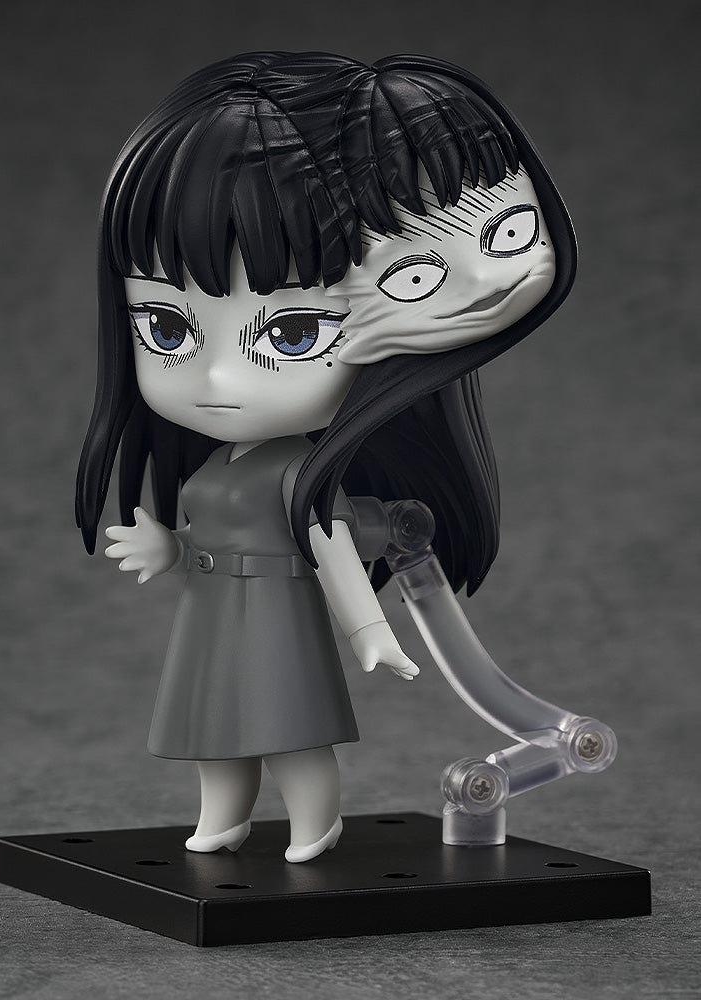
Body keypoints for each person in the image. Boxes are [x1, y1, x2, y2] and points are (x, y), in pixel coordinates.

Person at [76, 52, 576, 863]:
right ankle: (222, 819)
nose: (219, 379)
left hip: (280, 617)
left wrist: (367, 629)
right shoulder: (214, 467)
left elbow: (330, 542)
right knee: (212, 729)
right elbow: (205, 533)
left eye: (290, 334)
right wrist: (166, 547)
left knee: (288, 730)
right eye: (166, 328)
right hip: (211, 617)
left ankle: (315, 824)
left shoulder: (297, 472)